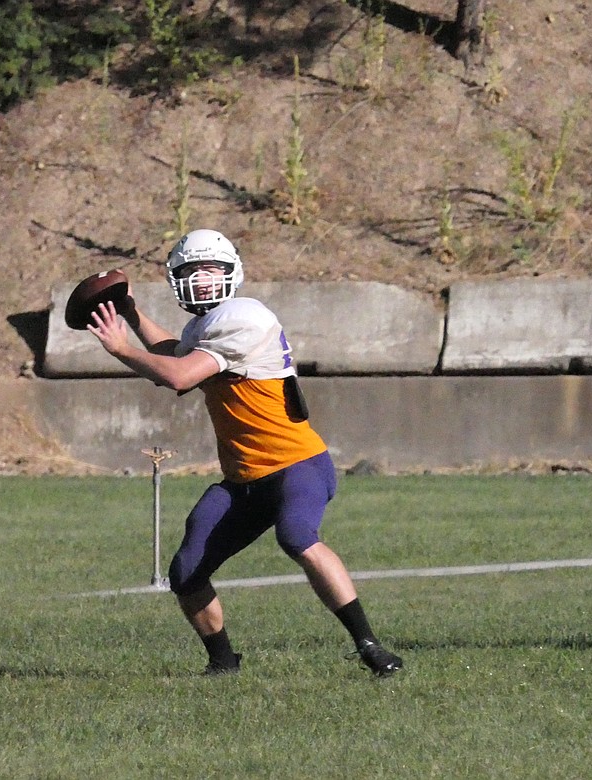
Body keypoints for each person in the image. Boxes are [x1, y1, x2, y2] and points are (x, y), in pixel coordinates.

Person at [86, 228, 402, 677]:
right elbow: (174, 355)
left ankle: (369, 645)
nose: (200, 279)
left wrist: (120, 349)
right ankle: (223, 663)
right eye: (191, 271)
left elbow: (178, 375)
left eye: (210, 269)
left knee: (297, 537)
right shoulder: (207, 324)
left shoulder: (244, 315)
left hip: (297, 464)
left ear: (232, 273)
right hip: (244, 480)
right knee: (187, 571)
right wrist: (133, 316)